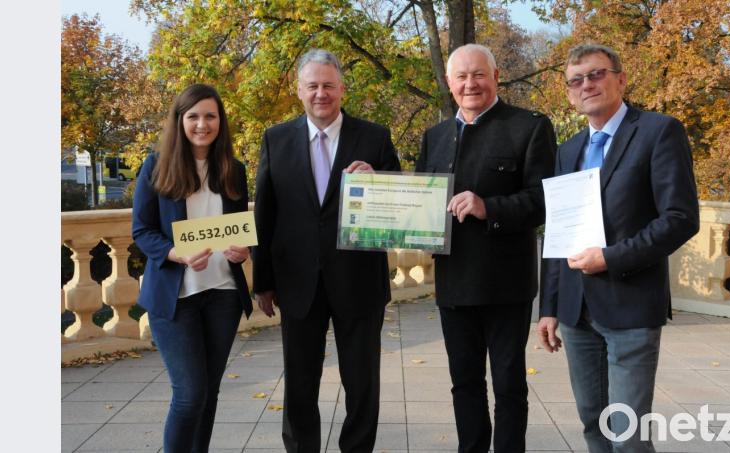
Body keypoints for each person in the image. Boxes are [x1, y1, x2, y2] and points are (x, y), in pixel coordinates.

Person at [536, 43, 700, 452]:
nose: (586, 85)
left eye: (596, 74)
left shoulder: (658, 131)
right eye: (576, 80)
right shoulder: (568, 150)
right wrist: (550, 307)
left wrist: (610, 258)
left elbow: (680, 218)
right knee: (593, 423)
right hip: (576, 312)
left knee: (626, 433)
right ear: (570, 94)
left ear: (620, 79)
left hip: (630, 306)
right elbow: (560, 231)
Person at [251, 48, 401, 453]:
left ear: (342, 89)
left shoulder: (374, 137)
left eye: (329, 86)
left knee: (362, 383)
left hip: (359, 282)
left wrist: (379, 181)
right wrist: (262, 282)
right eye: (313, 85)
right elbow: (265, 215)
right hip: (297, 283)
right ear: (299, 90)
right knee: (299, 383)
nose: (321, 93)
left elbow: (401, 206)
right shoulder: (275, 138)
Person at [415, 44, 556, 452]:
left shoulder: (529, 126)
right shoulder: (435, 137)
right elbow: (422, 202)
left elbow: (543, 201)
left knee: (509, 385)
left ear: (496, 77)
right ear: (449, 83)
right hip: (453, 282)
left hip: (506, 284)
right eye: (461, 76)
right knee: (464, 383)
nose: (470, 83)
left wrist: (487, 207)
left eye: (478, 74)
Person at [132, 83, 253, 452]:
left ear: (221, 121)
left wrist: (243, 251)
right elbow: (142, 231)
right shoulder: (156, 166)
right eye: (194, 116)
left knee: (208, 393)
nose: (203, 124)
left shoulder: (233, 169)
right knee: (189, 395)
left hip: (223, 295)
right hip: (176, 297)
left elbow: (238, 229)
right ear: (180, 120)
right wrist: (176, 253)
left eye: (210, 116)